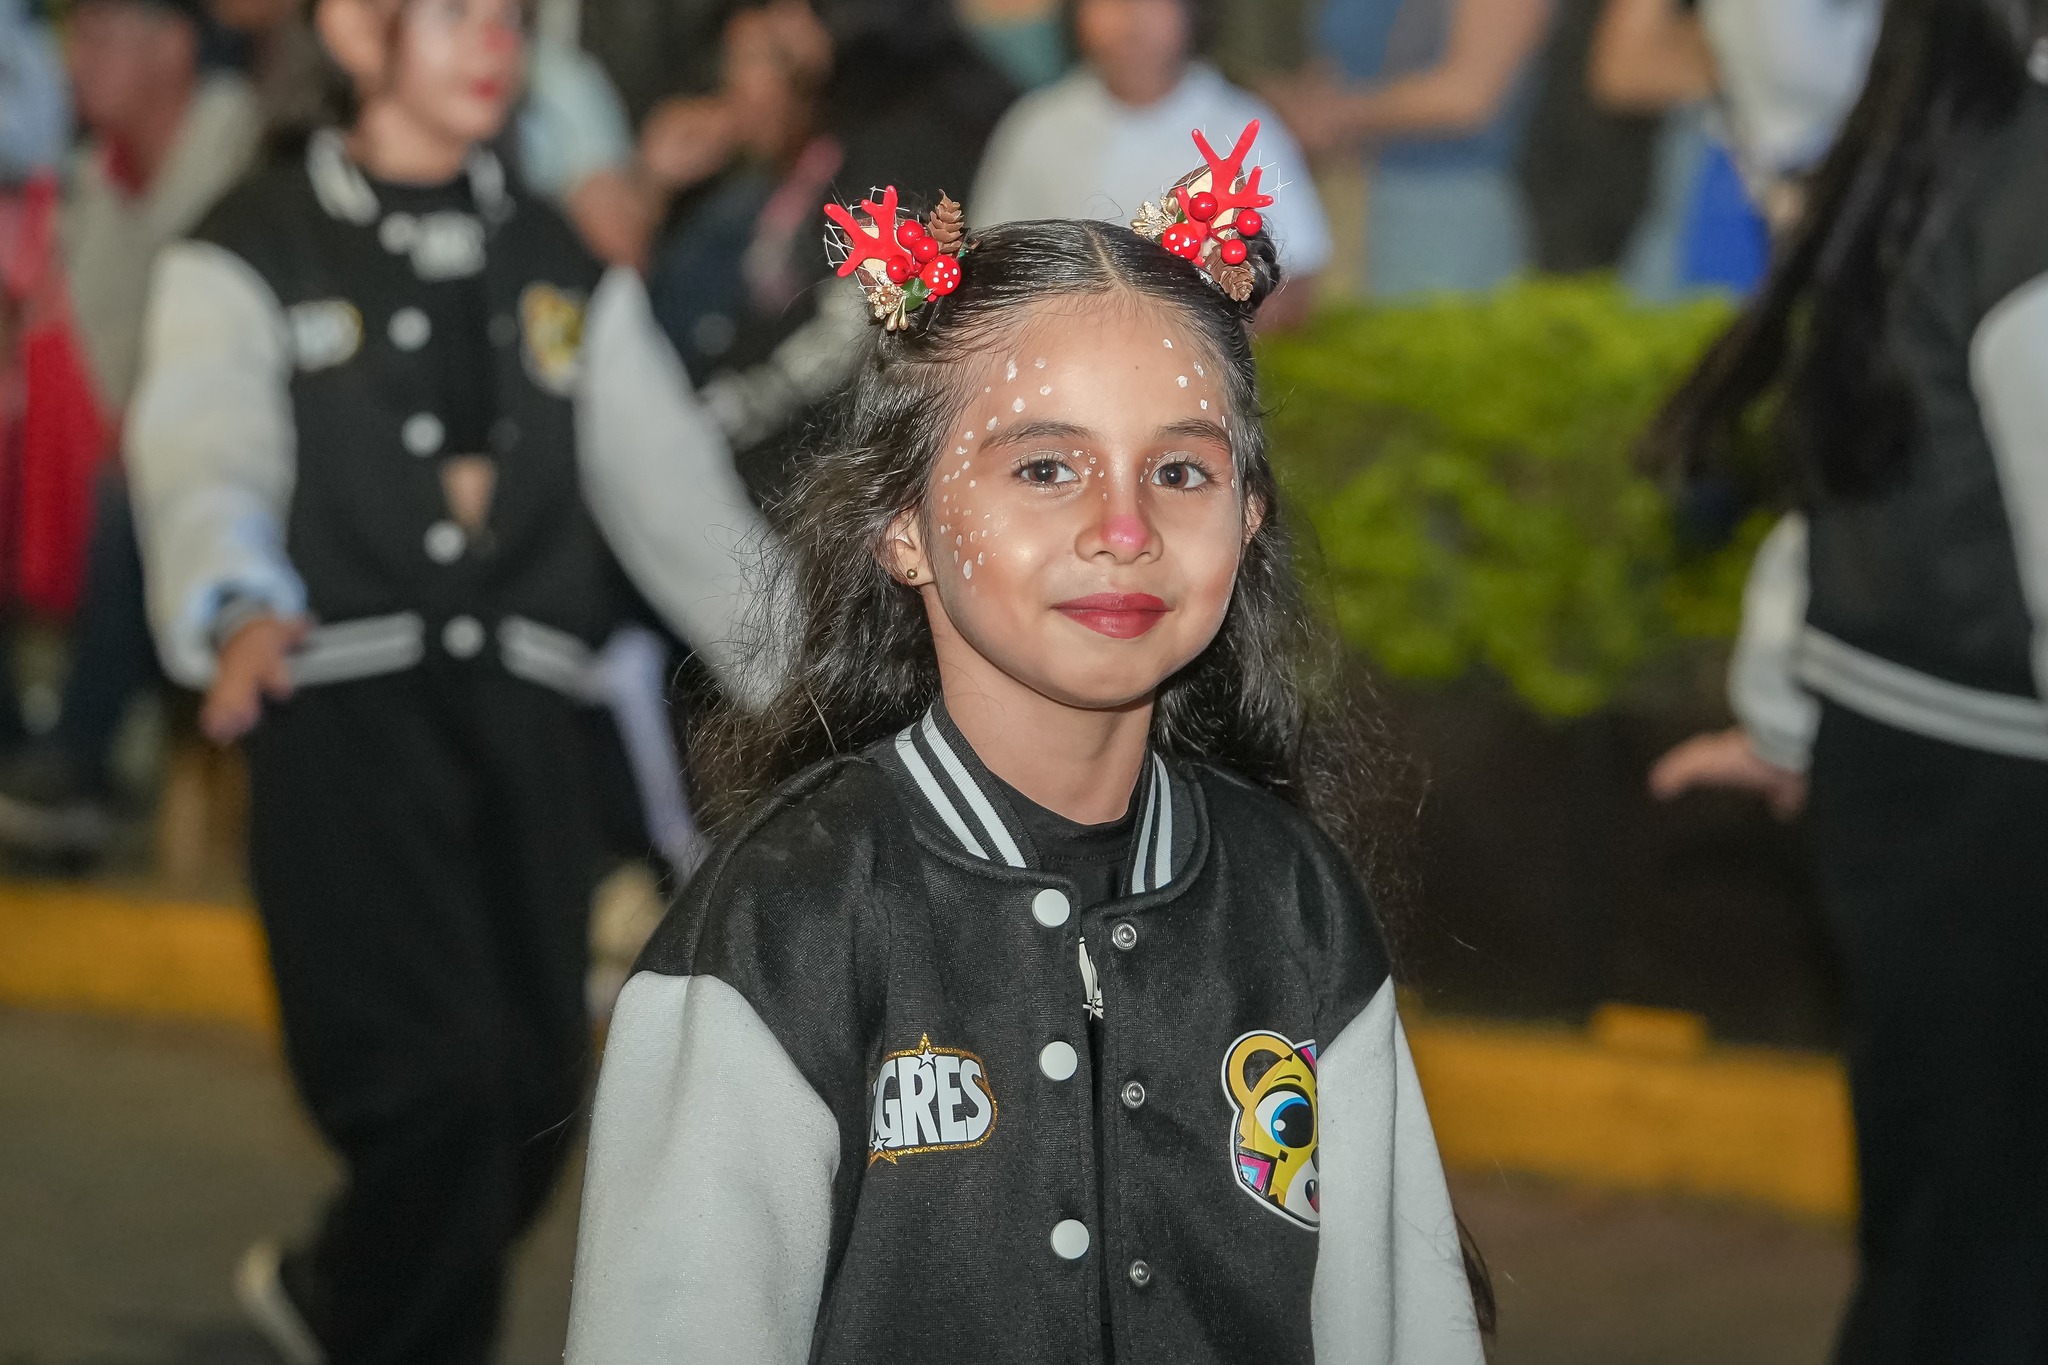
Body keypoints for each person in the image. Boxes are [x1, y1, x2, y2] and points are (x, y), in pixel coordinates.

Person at [564, 128, 1486, 1364]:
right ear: (903, 525)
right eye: (1046, 467)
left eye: (1181, 471)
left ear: (1249, 519)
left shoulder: (1296, 906)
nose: (1124, 528)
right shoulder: (781, 924)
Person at [123, 0, 775, 1354]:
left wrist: (825, 690)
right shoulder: (249, 244)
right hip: (339, 702)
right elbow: (203, 442)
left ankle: (332, 1300)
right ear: (357, 29)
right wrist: (234, 595)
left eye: (509, 18)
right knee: (439, 1084)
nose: (494, 43)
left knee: (532, 1096)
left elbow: (681, 505)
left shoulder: (562, 262)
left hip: (527, 720)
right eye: (456, 13)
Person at [1644, 0, 2048, 1355]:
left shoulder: (1954, 140)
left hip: (1909, 764)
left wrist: (1788, 715)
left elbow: (1840, 466)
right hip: (1996, 798)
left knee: (1951, 1245)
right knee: (1982, 1269)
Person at [0, 0, 262, 856]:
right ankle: (25, 758)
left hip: (268, 456)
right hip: (158, 454)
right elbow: (107, 383)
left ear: (174, 46)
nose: (77, 58)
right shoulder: (89, 183)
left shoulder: (243, 141)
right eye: (75, 35)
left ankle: (78, 763)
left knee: (135, 487)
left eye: (103, 33)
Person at [969, 0, 1329, 325]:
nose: (1131, 16)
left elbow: (1296, 274)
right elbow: (989, 257)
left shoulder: (1242, 125)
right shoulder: (1036, 126)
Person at [1265, 0, 1553, 298]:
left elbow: (1468, 99)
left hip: (1443, 205)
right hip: (1335, 197)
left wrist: (1337, 115)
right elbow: (1331, 68)